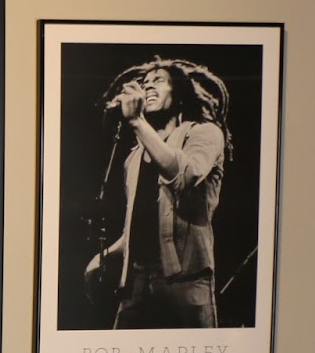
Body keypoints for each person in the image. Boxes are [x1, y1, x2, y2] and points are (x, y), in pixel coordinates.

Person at [82, 59, 229, 329]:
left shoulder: (205, 133)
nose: (148, 86)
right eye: (144, 83)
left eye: (158, 80)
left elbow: (184, 176)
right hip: (136, 283)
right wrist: (104, 257)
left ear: (179, 93)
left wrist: (137, 122)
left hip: (186, 281)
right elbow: (139, 228)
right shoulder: (134, 159)